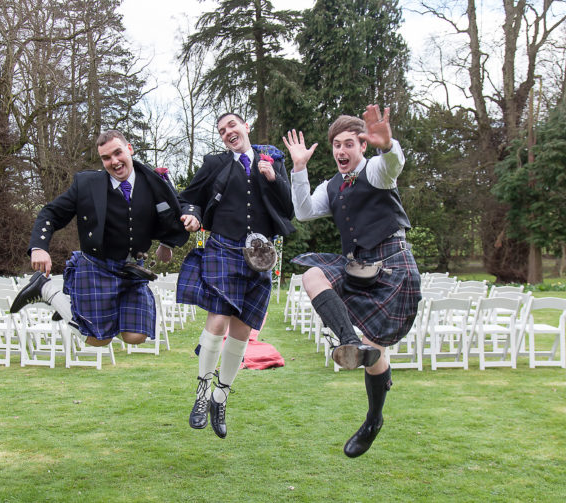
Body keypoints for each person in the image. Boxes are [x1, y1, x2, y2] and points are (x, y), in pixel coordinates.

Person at [282, 104, 421, 458]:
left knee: (377, 351)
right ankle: (347, 340)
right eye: (336, 146)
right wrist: (299, 169)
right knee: (312, 274)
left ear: (362, 145)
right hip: (359, 267)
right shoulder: (332, 185)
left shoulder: (375, 170)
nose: (342, 151)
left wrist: (387, 146)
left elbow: (392, 166)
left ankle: (374, 419)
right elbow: (304, 211)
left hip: (392, 265)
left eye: (349, 144)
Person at [10, 130, 190, 348]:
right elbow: (51, 213)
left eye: (118, 153)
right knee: (98, 339)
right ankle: (47, 291)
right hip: (97, 265)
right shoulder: (87, 184)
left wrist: (167, 242)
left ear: (129, 149)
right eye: (106, 157)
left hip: (133, 268)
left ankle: (78, 312)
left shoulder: (153, 183)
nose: (114, 162)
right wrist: (39, 246)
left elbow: (169, 213)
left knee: (137, 335)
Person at [177, 112, 295, 439]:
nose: (228, 132)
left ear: (246, 127)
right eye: (221, 130)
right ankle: (202, 393)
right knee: (218, 319)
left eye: (232, 125)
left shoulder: (271, 160)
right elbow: (191, 199)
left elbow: (288, 208)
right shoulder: (215, 163)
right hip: (221, 247)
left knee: (242, 331)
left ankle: (221, 395)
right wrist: (190, 215)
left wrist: (274, 179)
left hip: (259, 254)